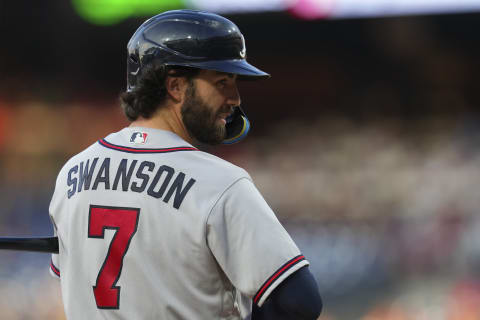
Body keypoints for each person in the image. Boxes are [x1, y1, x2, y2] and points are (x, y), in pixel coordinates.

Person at [49, 9, 322, 320]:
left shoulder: (72, 173)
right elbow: (300, 302)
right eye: (222, 81)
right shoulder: (220, 183)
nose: (235, 98)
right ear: (175, 86)